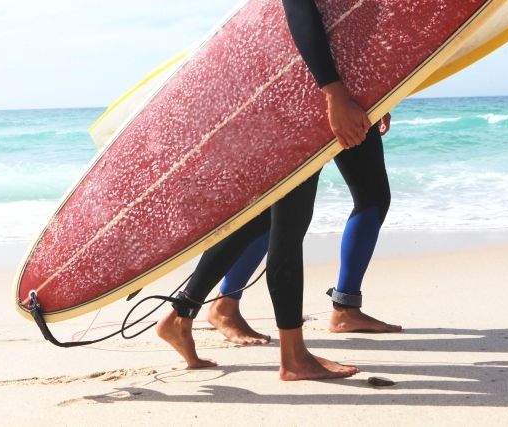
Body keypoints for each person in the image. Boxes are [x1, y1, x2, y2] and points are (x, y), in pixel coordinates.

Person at [157, 0, 371, 380]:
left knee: (261, 221)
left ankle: (182, 315)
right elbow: (300, 15)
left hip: (301, 92)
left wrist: (371, 92)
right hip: (295, 95)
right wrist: (334, 93)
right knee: (288, 225)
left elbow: (346, 25)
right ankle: (293, 358)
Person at [206, 111, 400, 346]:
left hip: (353, 99)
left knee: (373, 197)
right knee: (281, 207)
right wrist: (333, 94)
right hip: (324, 100)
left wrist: (380, 98)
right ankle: (219, 305)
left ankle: (346, 307)